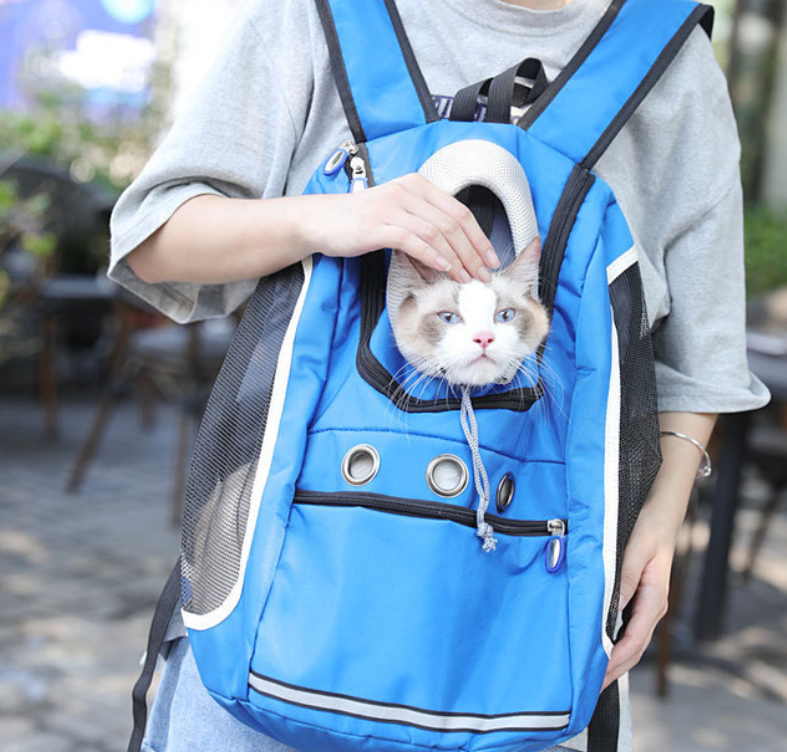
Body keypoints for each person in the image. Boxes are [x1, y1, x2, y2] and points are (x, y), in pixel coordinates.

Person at [108, 1, 770, 750]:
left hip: (530, 625)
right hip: (276, 602)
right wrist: (326, 219)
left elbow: (702, 354)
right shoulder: (321, 15)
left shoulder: (667, 57)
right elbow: (151, 239)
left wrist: (661, 519)